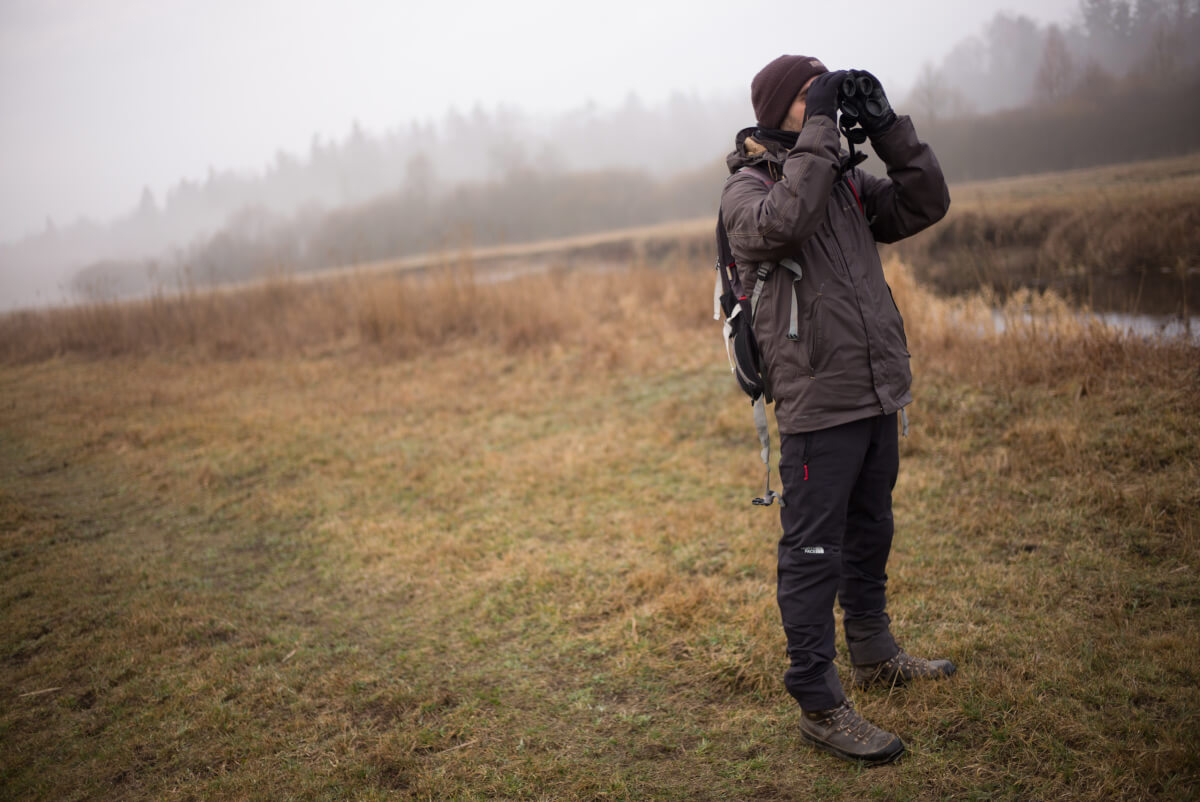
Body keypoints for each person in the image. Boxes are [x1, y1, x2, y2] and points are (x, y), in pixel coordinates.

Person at [719, 54, 954, 765]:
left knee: (871, 525)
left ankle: (876, 650)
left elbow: (924, 201)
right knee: (814, 550)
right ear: (777, 109)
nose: (821, 106)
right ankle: (818, 702)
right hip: (818, 397)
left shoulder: (844, 176)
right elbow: (784, 223)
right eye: (807, 96)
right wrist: (824, 125)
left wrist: (887, 128)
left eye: (824, 94)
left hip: (875, 384)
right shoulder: (747, 188)